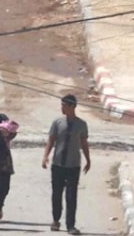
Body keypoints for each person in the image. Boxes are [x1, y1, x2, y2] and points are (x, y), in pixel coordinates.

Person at [42, 94, 91, 234]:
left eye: (64, 105)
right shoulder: (57, 122)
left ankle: (71, 225)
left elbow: (84, 143)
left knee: (71, 196)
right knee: (56, 194)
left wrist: (88, 159)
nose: (62, 107)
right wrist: (45, 156)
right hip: (57, 164)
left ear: (71, 106)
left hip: (73, 165)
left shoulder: (81, 124)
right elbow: (51, 140)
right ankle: (56, 220)